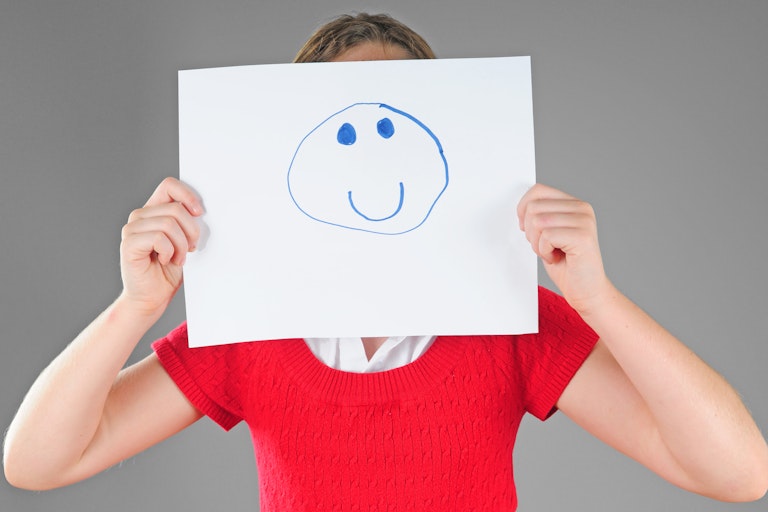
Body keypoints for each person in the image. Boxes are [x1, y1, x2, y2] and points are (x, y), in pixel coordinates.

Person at [3, 12, 768, 511]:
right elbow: (37, 463)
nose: (370, 154)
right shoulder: (247, 329)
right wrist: (135, 306)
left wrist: (599, 299)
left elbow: (738, 474)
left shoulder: (512, 322)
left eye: (396, 116)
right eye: (341, 124)